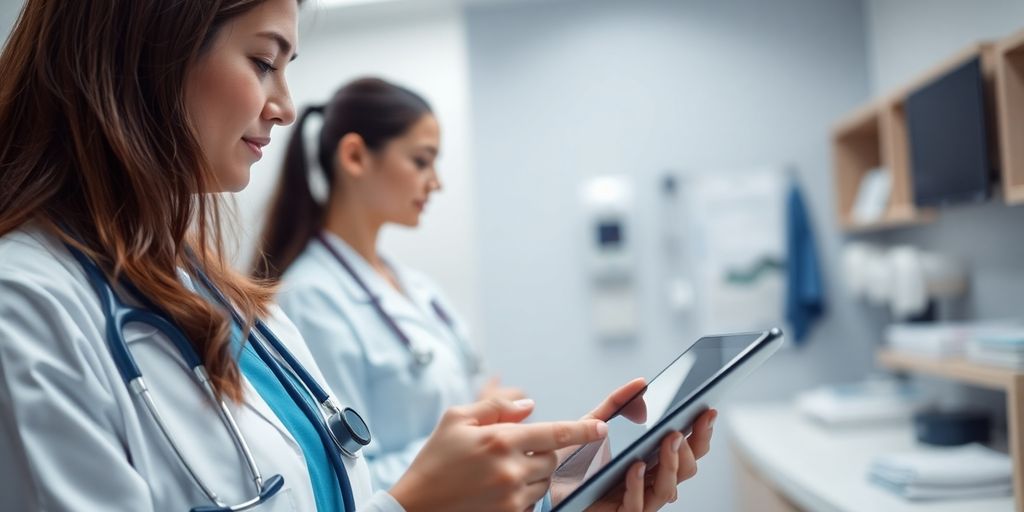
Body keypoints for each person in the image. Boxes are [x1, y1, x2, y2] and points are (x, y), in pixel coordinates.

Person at [0, 1, 716, 511]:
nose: (283, 103)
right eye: (262, 60)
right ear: (142, 49)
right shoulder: (25, 311)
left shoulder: (227, 304)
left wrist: (548, 490)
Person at [254, 77, 530, 489]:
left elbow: (474, 393)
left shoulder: (416, 287)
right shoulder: (310, 300)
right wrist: (472, 436)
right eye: (421, 161)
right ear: (355, 157)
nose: (435, 182)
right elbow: (341, 476)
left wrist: (480, 421)